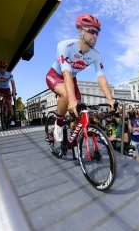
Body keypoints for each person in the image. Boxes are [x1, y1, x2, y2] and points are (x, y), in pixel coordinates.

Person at [45, 14, 115, 142]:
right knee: (67, 96)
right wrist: (71, 99)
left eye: (97, 33)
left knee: (77, 112)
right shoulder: (65, 46)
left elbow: (101, 77)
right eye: (92, 31)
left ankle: (73, 140)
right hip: (55, 75)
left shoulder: (96, 55)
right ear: (80, 31)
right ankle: (59, 124)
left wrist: (110, 100)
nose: (95, 35)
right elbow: (66, 72)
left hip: (71, 79)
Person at [0, 61, 16, 126]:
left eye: (4, 68)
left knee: (9, 103)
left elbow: (12, 83)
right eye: (0, 68)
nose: (2, 69)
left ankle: (12, 119)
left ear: (6, 68)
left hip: (7, 89)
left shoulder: (9, 74)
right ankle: (0, 104)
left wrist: (13, 92)